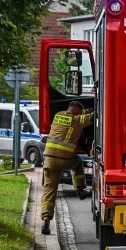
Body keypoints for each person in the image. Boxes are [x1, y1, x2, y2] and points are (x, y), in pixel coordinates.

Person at [40, 101, 94, 235]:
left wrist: (86, 109)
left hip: (49, 159)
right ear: (77, 112)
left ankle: (46, 218)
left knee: (49, 190)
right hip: (65, 158)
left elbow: (82, 114)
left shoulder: (58, 115)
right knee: (77, 164)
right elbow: (91, 117)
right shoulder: (77, 120)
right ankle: (80, 190)